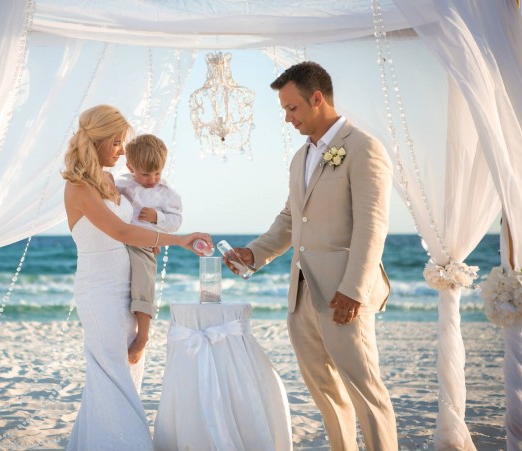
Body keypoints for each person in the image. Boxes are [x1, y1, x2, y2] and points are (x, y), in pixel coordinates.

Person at [223, 62, 398, 450]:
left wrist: (353, 289)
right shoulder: (301, 157)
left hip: (344, 295)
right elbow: (291, 218)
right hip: (301, 295)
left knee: (366, 393)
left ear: (317, 98)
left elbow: (373, 226)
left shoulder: (364, 148)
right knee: (326, 395)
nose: (287, 118)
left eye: (292, 108)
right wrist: (252, 253)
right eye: (285, 110)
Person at [62, 105, 211, 450]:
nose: (120, 150)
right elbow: (122, 231)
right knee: (112, 374)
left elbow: (139, 229)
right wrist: (180, 240)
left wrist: (156, 236)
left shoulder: (113, 182)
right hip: (100, 292)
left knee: (127, 375)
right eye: (115, 142)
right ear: (96, 141)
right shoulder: (77, 188)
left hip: (128, 288)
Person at [116, 134, 182, 327]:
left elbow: (175, 222)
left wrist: (157, 217)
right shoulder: (121, 184)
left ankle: (143, 329)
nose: (152, 179)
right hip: (118, 239)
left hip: (144, 243)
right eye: (145, 174)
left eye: (157, 173)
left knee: (143, 281)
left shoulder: (166, 194)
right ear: (130, 168)